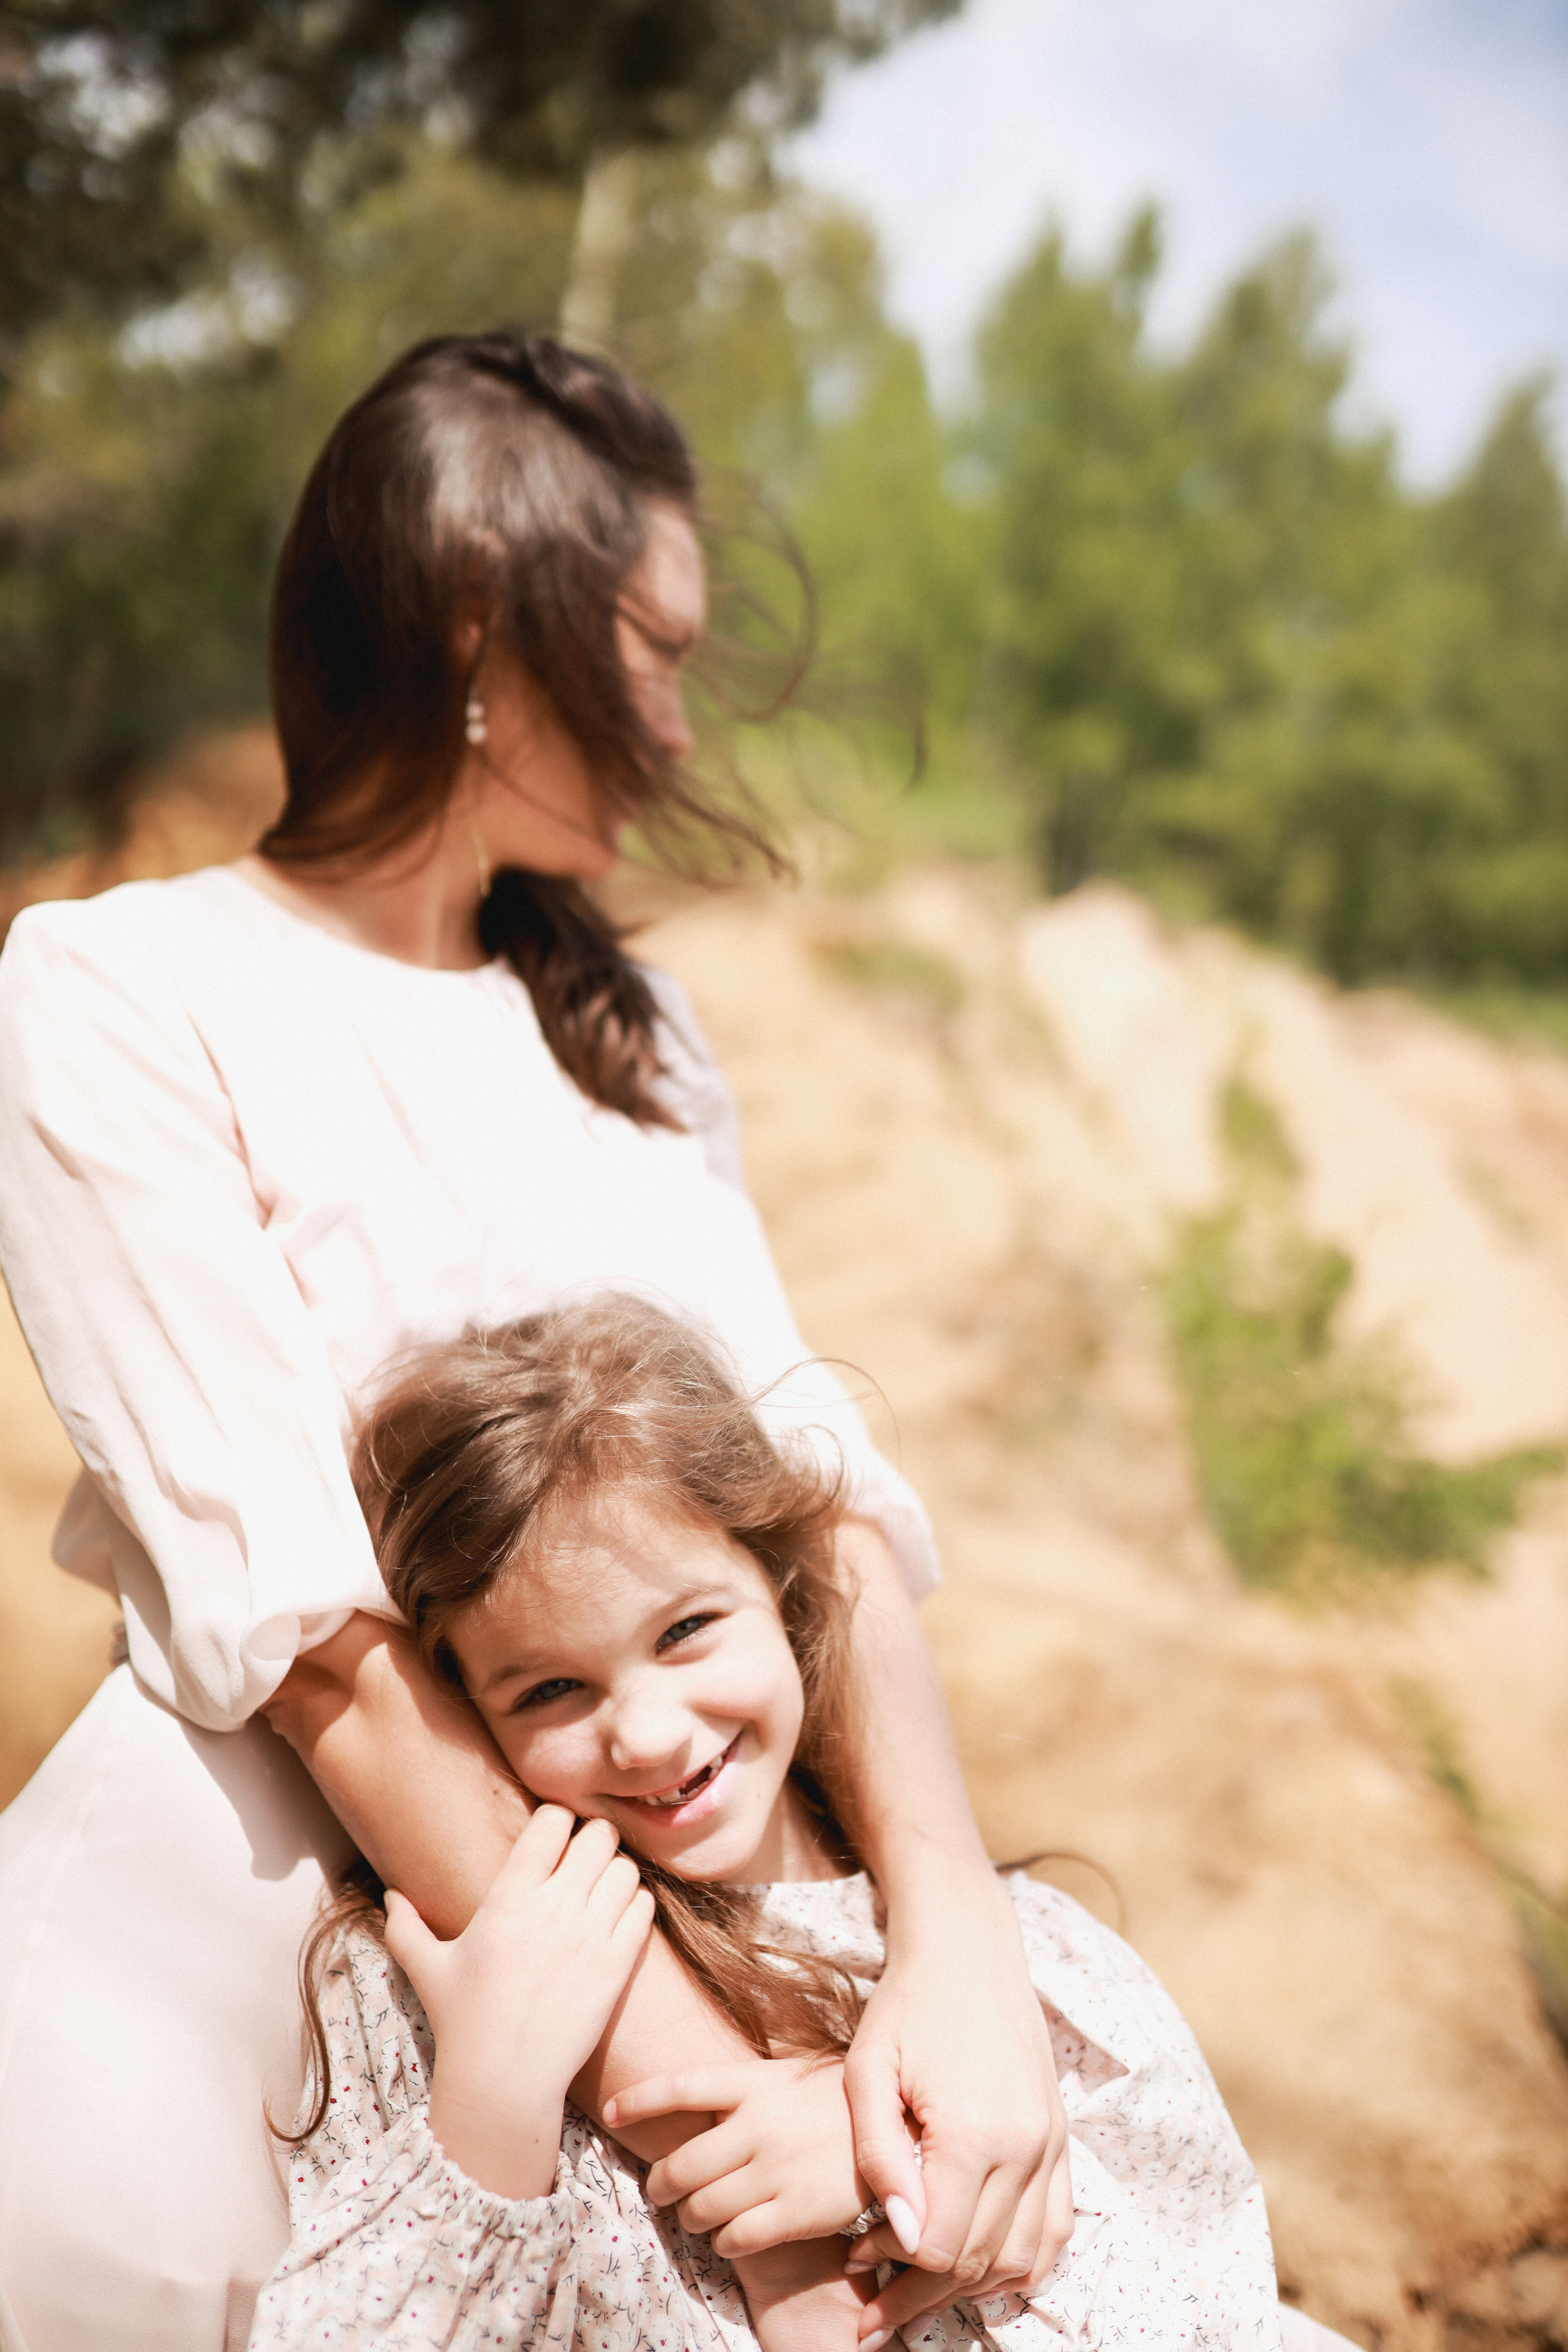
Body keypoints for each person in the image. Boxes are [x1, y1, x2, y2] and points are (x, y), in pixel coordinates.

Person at [0, 332, 1069, 2352]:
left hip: (661, 1838)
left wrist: (961, 1955)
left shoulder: (636, 1043)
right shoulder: (111, 988)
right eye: (649, 651)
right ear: (489, 627)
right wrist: (715, 2113)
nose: (675, 726)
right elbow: (310, 1635)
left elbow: (816, 1508)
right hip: (262, 1872)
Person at [250, 1294, 1287, 2352]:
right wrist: (493, 2101)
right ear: (467, 1716)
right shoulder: (456, 1986)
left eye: (687, 1629)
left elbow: (1213, 2287)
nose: (648, 1736)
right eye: (551, 1690)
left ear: (782, 1588)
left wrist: (892, 2171)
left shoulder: (1021, 1960)